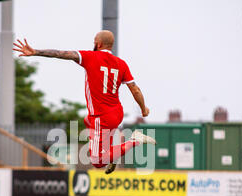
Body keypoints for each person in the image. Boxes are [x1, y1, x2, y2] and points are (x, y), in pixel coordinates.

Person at [13, 30, 156, 174]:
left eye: (94, 41)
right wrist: (144, 109)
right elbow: (135, 90)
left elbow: (61, 54)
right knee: (87, 120)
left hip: (102, 118)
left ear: (98, 44)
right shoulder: (121, 64)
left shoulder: (90, 57)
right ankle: (113, 152)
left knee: (98, 161)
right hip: (116, 113)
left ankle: (134, 141)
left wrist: (36, 52)